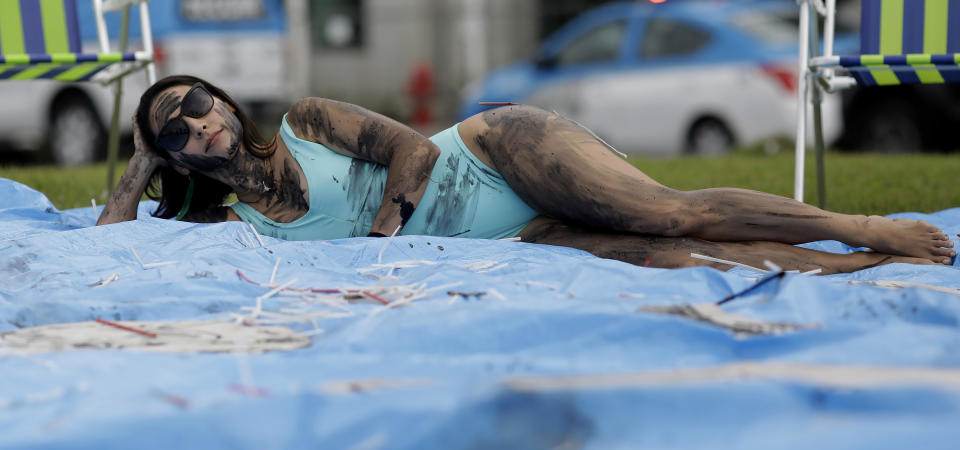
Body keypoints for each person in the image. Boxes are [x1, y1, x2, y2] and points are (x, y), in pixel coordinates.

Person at [98, 75, 955, 275]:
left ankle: (863, 228)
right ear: (176, 155)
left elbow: (415, 153)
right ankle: (858, 271)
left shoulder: (307, 121)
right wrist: (137, 170)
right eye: (176, 127)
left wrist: (383, 235)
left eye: (199, 102)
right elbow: (113, 254)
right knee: (677, 263)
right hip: (509, 234)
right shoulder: (232, 224)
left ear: (224, 103)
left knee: (665, 215)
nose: (198, 120)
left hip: (496, 151)